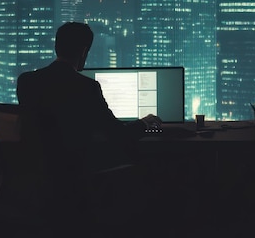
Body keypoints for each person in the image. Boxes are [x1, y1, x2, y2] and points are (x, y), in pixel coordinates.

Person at [16, 21, 163, 236]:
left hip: (37, 177)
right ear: (84, 51)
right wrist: (145, 123)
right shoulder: (87, 87)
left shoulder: (26, 81)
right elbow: (118, 136)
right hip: (75, 177)